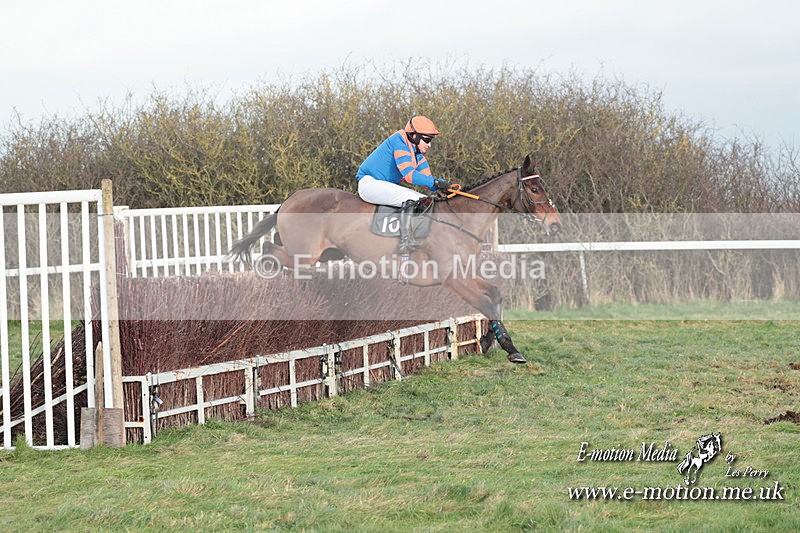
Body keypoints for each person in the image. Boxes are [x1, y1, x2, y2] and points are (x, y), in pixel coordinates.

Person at [356, 116, 451, 252]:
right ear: (414, 136)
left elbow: (427, 179)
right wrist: (435, 182)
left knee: (425, 200)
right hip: (369, 184)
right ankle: (405, 242)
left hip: (381, 185)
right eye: (427, 140)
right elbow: (409, 175)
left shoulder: (418, 155)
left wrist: (442, 186)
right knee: (413, 199)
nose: (429, 144)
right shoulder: (400, 141)